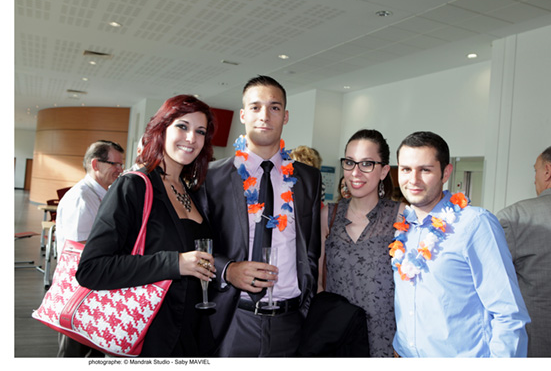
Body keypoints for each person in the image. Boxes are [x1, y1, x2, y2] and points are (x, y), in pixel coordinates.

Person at [76, 95, 217, 357]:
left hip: (191, 332)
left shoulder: (191, 190)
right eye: (182, 126)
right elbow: (91, 269)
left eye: (200, 131)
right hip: (147, 336)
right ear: (161, 129)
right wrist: (174, 263)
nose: (191, 138)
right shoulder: (134, 186)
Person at [197, 75, 322, 356]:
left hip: (291, 322)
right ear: (243, 114)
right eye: (255, 107)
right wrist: (228, 269)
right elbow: (195, 244)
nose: (264, 116)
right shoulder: (213, 177)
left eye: (274, 107)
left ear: (285, 116)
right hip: (233, 319)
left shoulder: (308, 179)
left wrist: (305, 307)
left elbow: (311, 249)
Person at [391, 131, 530, 357]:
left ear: (446, 172)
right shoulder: (405, 228)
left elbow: (508, 314)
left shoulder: (475, 224)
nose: (413, 179)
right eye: (406, 169)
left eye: (425, 170)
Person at [319, 129, 405, 357]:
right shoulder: (329, 215)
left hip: (384, 338)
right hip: (336, 336)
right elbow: (318, 283)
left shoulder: (401, 216)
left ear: (384, 170)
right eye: (350, 162)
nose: (355, 172)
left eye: (367, 163)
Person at [55, 139, 124, 357]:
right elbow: (79, 252)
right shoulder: (82, 198)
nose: (120, 170)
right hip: (78, 292)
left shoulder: (102, 194)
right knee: (73, 353)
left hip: (95, 290)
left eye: (121, 165)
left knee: (92, 353)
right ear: (95, 164)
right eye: (115, 164)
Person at [496, 144, 551, 357]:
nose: (534, 178)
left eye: (535, 170)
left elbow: (494, 283)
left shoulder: (515, 217)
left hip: (538, 344)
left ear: (547, 171)